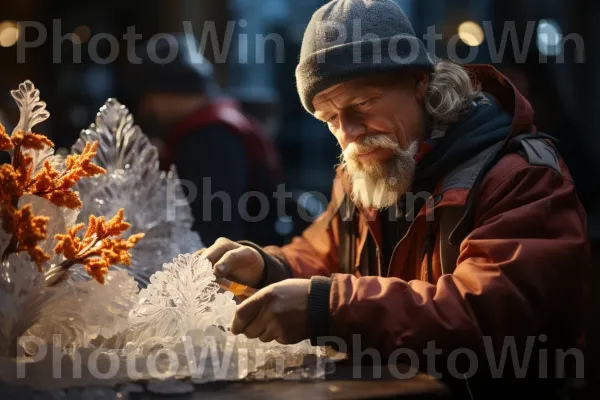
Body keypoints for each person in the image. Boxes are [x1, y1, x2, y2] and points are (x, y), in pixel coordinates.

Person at [200, 0, 589, 395]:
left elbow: (485, 316)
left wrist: (329, 307)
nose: (348, 134)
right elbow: (323, 251)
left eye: (363, 104)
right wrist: (268, 265)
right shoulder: (364, 173)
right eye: (330, 119)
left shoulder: (522, 176)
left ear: (419, 82)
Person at [124, 34, 282, 246]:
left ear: (170, 91)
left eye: (149, 96)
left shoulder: (210, 139)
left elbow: (212, 233)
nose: (146, 109)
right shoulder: (217, 125)